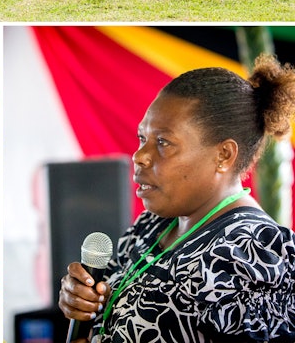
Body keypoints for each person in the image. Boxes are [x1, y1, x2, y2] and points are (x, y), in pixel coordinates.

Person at [58, 56, 295, 343]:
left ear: (224, 156)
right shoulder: (153, 224)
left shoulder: (253, 252)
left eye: (163, 142)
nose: (139, 156)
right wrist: (82, 302)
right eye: (142, 138)